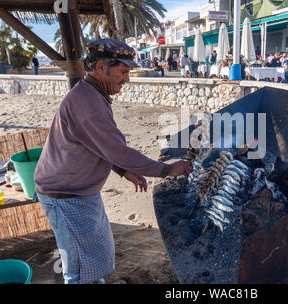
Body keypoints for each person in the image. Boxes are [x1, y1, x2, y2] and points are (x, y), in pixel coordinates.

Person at [34, 38, 192, 284]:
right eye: (124, 71)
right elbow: (119, 150)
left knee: (93, 258)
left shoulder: (92, 93)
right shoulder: (89, 103)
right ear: (100, 68)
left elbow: (97, 145)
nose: (127, 79)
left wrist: (121, 171)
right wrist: (165, 170)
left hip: (79, 193)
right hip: (64, 197)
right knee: (76, 269)